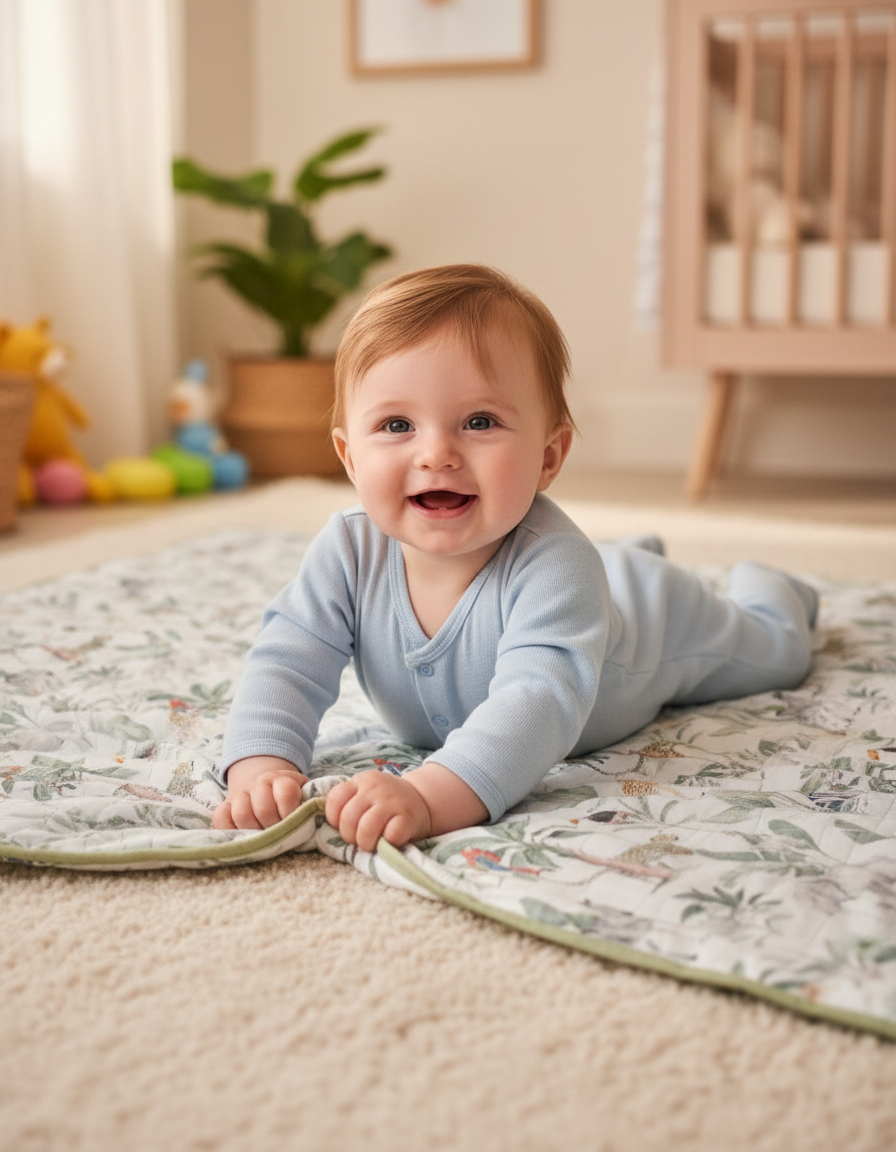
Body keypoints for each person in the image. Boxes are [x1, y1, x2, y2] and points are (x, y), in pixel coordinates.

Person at [212, 264, 817, 850]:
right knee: (590, 565)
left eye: (479, 421)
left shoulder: (556, 567)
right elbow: (287, 660)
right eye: (397, 424)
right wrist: (262, 764)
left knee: (777, 652)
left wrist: (427, 797)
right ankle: (621, 555)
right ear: (348, 458)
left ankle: (767, 585)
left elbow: (538, 703)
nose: (436, 453)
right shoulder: (347, 548)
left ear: (549, 457)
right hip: (589, 576)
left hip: (651, 624)